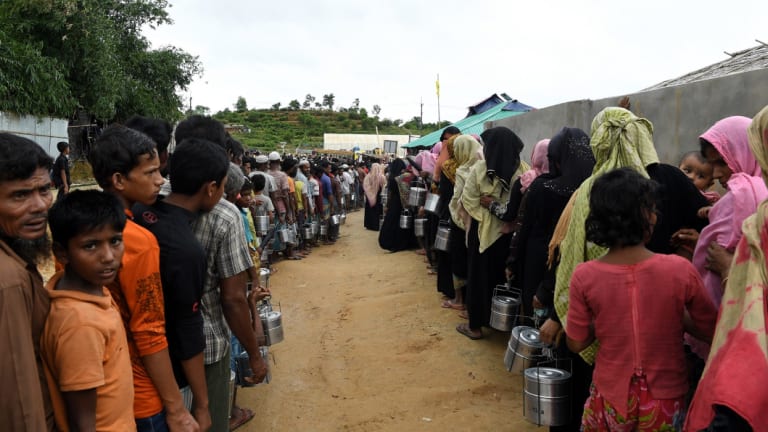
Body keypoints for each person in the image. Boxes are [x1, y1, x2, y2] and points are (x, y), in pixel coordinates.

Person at [567, 167, 717, 431]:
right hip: (666, 399)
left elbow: (577, 342)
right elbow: (710, 329)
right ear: (648, 217)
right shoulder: (680, 270)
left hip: (610, 396)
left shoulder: (585, 275)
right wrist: (674, 315)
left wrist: (604, 320)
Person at [88, 125, 198, 431]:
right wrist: (176, 409)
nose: (160, 180)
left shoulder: (78, 231)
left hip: (96, 385)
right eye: (150, 172)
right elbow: (148, 330)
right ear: (119, 180)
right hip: (141, 395)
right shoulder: (136, 240)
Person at [175, 117, 267, 432]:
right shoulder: (224, 214)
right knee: (209, 420)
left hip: (156, 349)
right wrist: (254, 354)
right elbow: (232, 298)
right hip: (207, 346)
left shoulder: (149, 199)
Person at [133, 138, 231, 432]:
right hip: (168, 376)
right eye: (223, 186)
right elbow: (188, 328)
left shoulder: (139, 213)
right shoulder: (186, 250)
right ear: (211, 188)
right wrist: (202, 405)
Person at [686, 104, 768, 432]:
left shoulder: (746, 203)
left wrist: (726, 267)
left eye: (721, 162)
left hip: (743, 351)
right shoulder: (754, 197)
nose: (718, 173)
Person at [43, 190, 134, 431]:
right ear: (62, 253)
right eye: (91, 245)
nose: (108, 257)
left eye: (115, 241)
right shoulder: (80, 324)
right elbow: (83, 422)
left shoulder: (92, 291)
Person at [0, 133, 55, 431]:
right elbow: (20, 398)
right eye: (19, 195)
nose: (40, 206)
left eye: (44, 190)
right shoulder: (8, 281)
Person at [456, 127, 525, 340]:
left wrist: (487, 214)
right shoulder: (522, 170)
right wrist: (503, 215)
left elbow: (468, 200)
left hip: (482, 233)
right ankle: (501, 324)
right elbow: (521, 205)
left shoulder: (480, 169)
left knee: (478, 278)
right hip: (509, 235)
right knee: (503, 279)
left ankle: (475, 327)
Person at [378, 159, 418, 252]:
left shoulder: (392, 178)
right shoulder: (406, 177)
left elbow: (390, 193)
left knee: (393, 223)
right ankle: (404, 243)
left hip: (395, 203)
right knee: (404, 223)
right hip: (405, 203)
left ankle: (391, 243)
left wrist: (387, 205)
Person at [362, 163, 386, 231]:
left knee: (369, 210)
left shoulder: (368, 176)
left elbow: (365, 186)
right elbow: (384, 186)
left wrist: (370, 193)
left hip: (369, 197)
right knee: (378, 211)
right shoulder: (381, 176)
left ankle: (369, 225)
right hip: (378, 196)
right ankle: (377, 226)